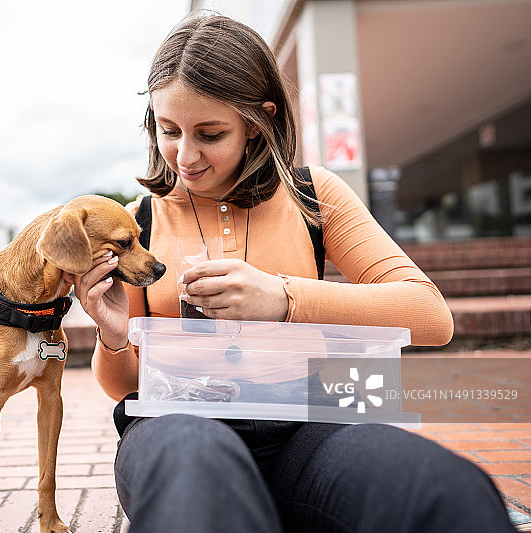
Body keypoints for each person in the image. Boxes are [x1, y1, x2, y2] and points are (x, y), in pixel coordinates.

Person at [71, 13, 515, 533]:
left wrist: (283, 298)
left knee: (438, 488)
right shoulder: (138, 221)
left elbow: (431, 316)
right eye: (168, 130)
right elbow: (122, 385)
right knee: (195, 483)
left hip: (315, 421)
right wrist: (114, 334)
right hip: (179, 423)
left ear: (259, 119)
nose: (184, 157)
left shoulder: (314, 194)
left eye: (210, 134)